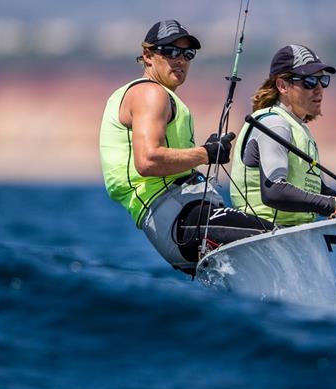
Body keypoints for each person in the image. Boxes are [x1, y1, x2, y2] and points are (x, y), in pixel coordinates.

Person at [99, 20, 272, 275]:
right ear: (147, 56)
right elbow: (147, 161)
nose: (180, 59)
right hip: (176, 218)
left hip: (180, 218)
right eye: (170, 51)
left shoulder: (156, 95)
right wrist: (206, 153)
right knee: (273, 236)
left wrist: (205, 152)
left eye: (187, 54)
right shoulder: (150, 94)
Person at [230, 44, 336, 226]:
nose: (319, 89)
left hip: (292, 234)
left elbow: (311, 189)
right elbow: (274, 192)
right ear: (282, 85)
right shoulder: (275, 123)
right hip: (261, 232)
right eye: (310, 81)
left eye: (323, 81)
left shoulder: (299, 128)